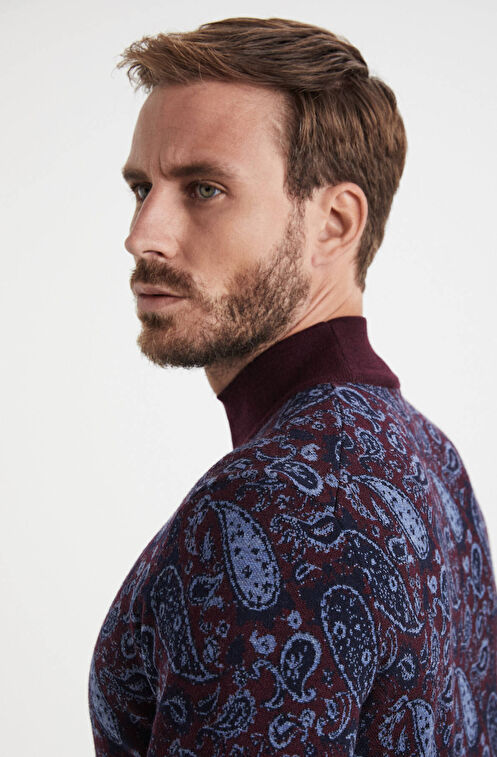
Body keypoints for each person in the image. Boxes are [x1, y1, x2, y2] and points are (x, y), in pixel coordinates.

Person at [88, 16, 497, 756]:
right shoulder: (433, 458)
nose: (142, 233)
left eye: (204, 188)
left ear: (334, 223)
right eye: (142, 187)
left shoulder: (268, 502)